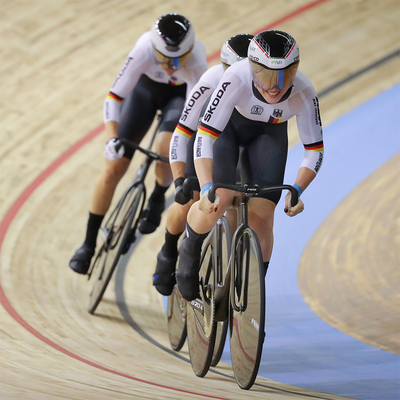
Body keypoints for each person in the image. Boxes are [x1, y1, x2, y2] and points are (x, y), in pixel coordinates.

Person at [176, 30, 324, 301]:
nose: (275, 86)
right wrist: (207, 184)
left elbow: (314, 151)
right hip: (227, 130)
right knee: (218, 199)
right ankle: (189, 250)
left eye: (284, 76)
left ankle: (252, 298)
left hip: (268, 136)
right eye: (267, 76)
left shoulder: (304, 93)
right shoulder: (235, 78)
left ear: (295, 70)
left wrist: (298, 190)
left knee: (264, 216)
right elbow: (205, 136)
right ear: (253, 68)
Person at [69, 13, 208, 275]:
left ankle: (156, 197)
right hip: (145, 93)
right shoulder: (144, 48)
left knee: (166, 146)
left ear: (189, 51)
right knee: (112, 168)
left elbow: (190, 122)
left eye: (179, 60)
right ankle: (87, 245)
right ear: (155, 50)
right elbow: (114, 96)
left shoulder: (198, 60)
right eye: (166, 60)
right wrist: (112, 137)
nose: (172, 67)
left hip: (179, 99)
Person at [152, 34, 254, 296]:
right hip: (205, 141)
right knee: (189, 200)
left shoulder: (264, 90)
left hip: (239, 141)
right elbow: (182, 132)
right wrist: (178, 180)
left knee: (242, 198)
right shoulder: (210, 81)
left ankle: (230, 270)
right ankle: (168, 248)